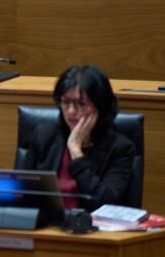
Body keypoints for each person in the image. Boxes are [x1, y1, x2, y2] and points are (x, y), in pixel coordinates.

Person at [23, 65, 136, 211]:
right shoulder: (44, 135)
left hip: (92, 230)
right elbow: (20, 191)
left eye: (81, 104)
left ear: (101, 106)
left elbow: (105, 203)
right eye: (65, 102)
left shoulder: (120, 148)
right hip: (45, 227)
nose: (70, 111)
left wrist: (76, 151)